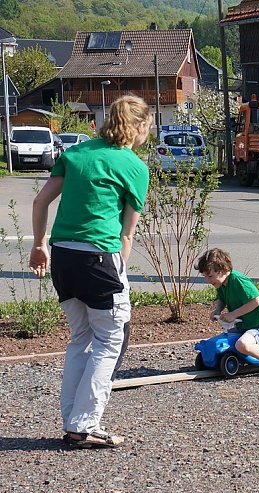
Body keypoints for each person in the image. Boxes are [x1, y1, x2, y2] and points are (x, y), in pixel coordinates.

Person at [29, 94, 153, 448]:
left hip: (63, 257)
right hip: (99, 259)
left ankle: (73, 421)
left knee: (81, 338)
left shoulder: (75, 154)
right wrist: (120, 275)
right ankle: (84, 425)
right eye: (148, 127)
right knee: (111, 338)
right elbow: (126, 235)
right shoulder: (134, 167)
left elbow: (40, 201)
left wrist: (39, 244)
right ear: (139, 126)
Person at [195, 248, 259, 379]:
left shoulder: (238, 281)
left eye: (210, 276)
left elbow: (256, 300)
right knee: (222, 339)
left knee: (242, 344)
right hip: (243, 326)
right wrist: (217, 310)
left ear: (224, 269)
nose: (208, 280)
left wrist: (234, 314)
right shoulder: (222, 284)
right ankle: (213, 358)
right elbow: (222, 299)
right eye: (205, 276)